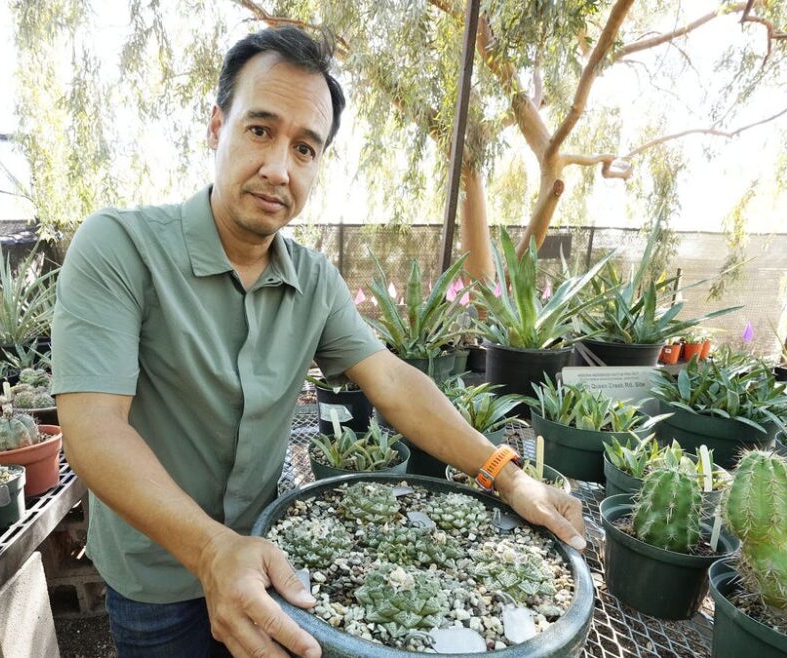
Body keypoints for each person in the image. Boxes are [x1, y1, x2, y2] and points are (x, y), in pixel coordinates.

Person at [52, 26, 586, 658]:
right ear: (215, 126)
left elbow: (391, 382)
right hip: (156, 580)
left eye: (305, 148)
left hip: (270, 560)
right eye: (259, 130)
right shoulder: (120, 247)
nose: (279, 167)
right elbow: (92, 429)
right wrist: (211, 550)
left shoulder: (314, 280)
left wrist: (506, 474)